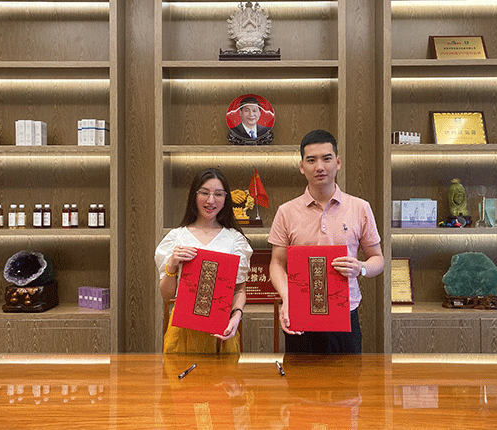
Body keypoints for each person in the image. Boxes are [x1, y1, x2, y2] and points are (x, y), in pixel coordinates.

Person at [268, 129, 384, 354]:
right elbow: (277, 263)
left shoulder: (360, 207)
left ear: (338, 163)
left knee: (348, 376)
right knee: (299, 376)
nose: (319, 167)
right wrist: (287, 298)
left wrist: (361, 268)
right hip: (299, 314)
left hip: (345, 314)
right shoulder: (286, 211)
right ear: (302, 166)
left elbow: (378, 259)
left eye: (326, 159)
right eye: (311, 160)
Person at [155, 168, 253, 353]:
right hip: (182, 331)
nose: (211, 201)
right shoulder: (176, 237)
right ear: (194, 195)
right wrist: (172, 264)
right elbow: (166, 295)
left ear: (226, 199)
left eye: (218, 194)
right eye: (204, 193)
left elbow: (239, 290)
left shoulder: (235, 239)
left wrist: (236, 317)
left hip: (222, 330)